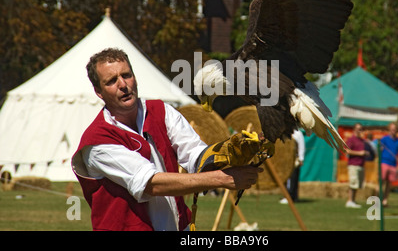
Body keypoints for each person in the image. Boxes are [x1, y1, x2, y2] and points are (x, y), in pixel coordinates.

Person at [71, 48, 263, 231]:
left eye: (126, 75)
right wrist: (222, 178)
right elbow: (151, 184)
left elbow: (195, 155)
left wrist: (228, 156)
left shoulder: (162, 112)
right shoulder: (97, 141)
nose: (123, 84)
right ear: (99, 92)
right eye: (111, 81)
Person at [379, 122, 398, 207]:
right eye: (392, 129)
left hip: (393, 164)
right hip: (384, 162)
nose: (393, 130)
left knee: (389, 184)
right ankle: (377, 199)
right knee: (381, 182)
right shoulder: (384, 139)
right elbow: (379, 149)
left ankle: (385, 201)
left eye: (395, 129)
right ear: (389, 129)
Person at [345, 123, 368, 208]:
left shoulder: (362, 140)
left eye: (361, 129)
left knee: (357, 184)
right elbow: (346, 150)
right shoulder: (351, 139)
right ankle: (349, 200)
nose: (360, 130)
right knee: (353, 183)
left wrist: (366, 153)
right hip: (353, 164)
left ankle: (353, 201)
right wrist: (360, 153)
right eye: (358, 129)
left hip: (361, 164)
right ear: (354, 129)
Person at [280, 129, 305, 204]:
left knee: (293, 178)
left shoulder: (298, 133)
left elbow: (301, 146)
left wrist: (301, 158)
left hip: (294, 159)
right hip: (286, 158)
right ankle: (287, 196)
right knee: (286, 178)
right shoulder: (285, 132)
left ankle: (292, 196)